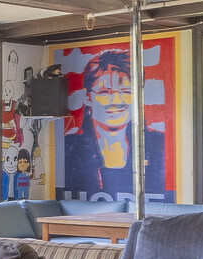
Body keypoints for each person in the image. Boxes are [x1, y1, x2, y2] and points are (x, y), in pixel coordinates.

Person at [62, 49, 164, 200]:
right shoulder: (69, 147)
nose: (117, 101)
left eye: (126, 92)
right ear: (87, 97)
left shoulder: (158, 145)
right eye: (105, 92)